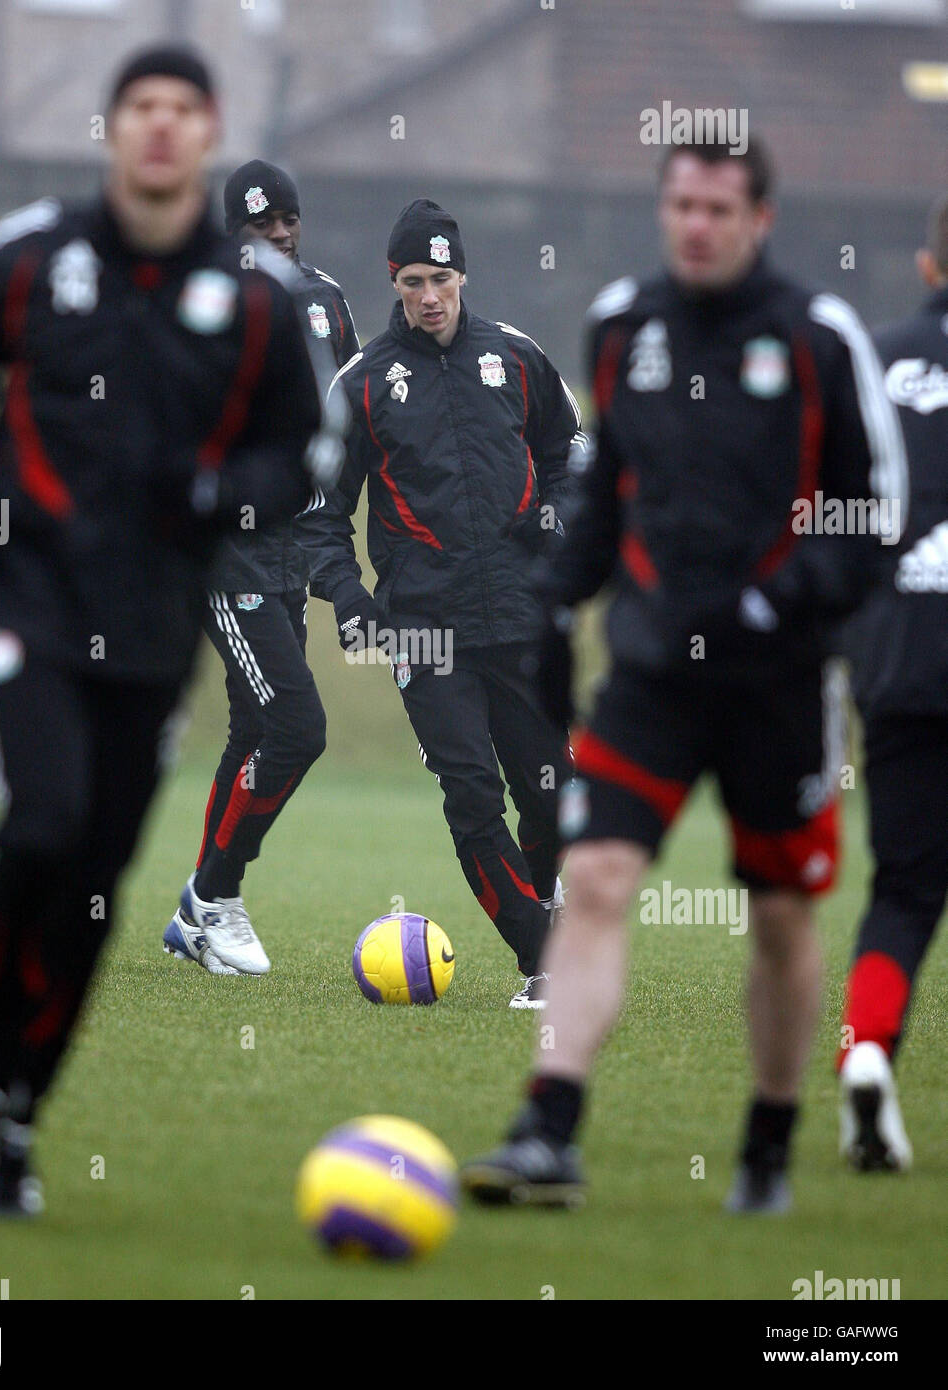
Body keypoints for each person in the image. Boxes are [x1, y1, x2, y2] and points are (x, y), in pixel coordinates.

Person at [0, 45, 323, 1216]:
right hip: (28, 598)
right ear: (114, 127)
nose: (160, 128)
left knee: (94, 879)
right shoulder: (36, 254)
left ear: (209, 131)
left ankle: (18, 1116)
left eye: (184, 111)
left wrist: (219, 500)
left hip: (152, 619)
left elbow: (300, 452)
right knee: (41, 824)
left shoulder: (250, 299)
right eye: (142, 107)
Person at [462, 137, 907, 1209]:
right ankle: (548, 1129)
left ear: (759, 217)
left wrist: (781, 597)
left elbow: (875, 511)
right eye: (681, 205)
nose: (696, 225)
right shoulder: (626, 325)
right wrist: (560, 597)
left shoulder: (815, 335)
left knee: (781, 913)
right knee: (600, 878)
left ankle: (765, 1142)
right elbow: (607, 484)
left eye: (718, 207)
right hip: (652, 671)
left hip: (781, 684)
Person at [302, 198, 584, 1008]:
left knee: (550, 793)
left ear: (464, 275)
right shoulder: (361, 385)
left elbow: (571, 455)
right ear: (395, 284)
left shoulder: (520, 358)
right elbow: (321, 512)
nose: (431, 295)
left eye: (443, 278)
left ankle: (546, 911)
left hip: (524, 615)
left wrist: (556, 520)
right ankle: (542, 961)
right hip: (424, 630)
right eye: (415, 281)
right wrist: (349, 596)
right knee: (469, 793)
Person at [161, 160, 357, 977]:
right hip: (225, 552)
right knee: (297, 727)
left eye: (287, 218)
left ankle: (200, 910)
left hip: (289, 546)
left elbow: (348, 414)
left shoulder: (326, 301)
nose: (277, 233)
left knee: (256, 725)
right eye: (258, 223)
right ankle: (213, 897)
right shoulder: (203, 302)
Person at [837, 193, 948, 1172]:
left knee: (906, 889)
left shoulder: (871, 354)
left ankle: (868, 1052)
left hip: (901, 656)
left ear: (927, 265)